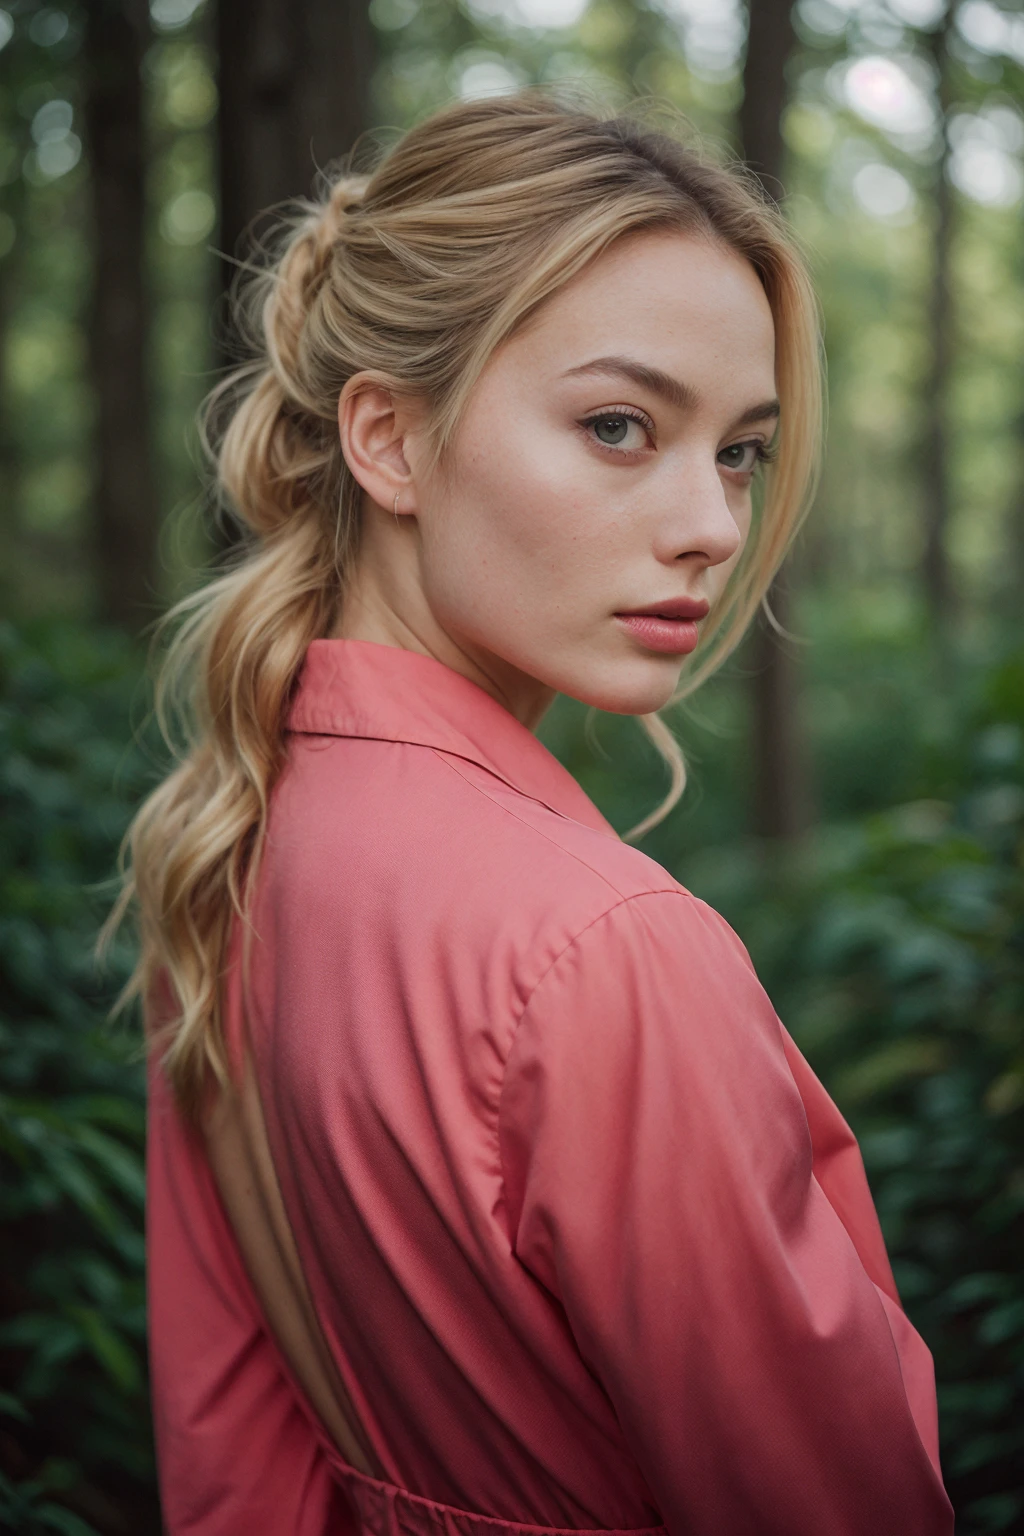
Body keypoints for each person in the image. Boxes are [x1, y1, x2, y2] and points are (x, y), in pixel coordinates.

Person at [109, 90, 954, 1534]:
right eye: (621, 426)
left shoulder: (239, 843)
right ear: (386, 439)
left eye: (740, 449)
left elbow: (232, 1463)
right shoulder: (607, 951)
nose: (714, 524)